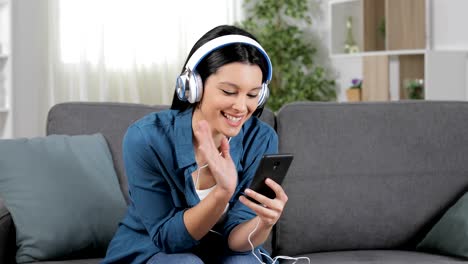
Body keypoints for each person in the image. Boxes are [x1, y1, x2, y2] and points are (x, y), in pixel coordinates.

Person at [102, 25, 288, 264]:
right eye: (229, 91)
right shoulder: (146, 138)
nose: (242, 107)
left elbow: (237, 241)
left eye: (252, 95)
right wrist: (222, 193)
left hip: (222, 253)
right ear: (193, 86)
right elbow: (168, 239)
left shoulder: (261, 139)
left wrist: (264, 222)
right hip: (156, 252)